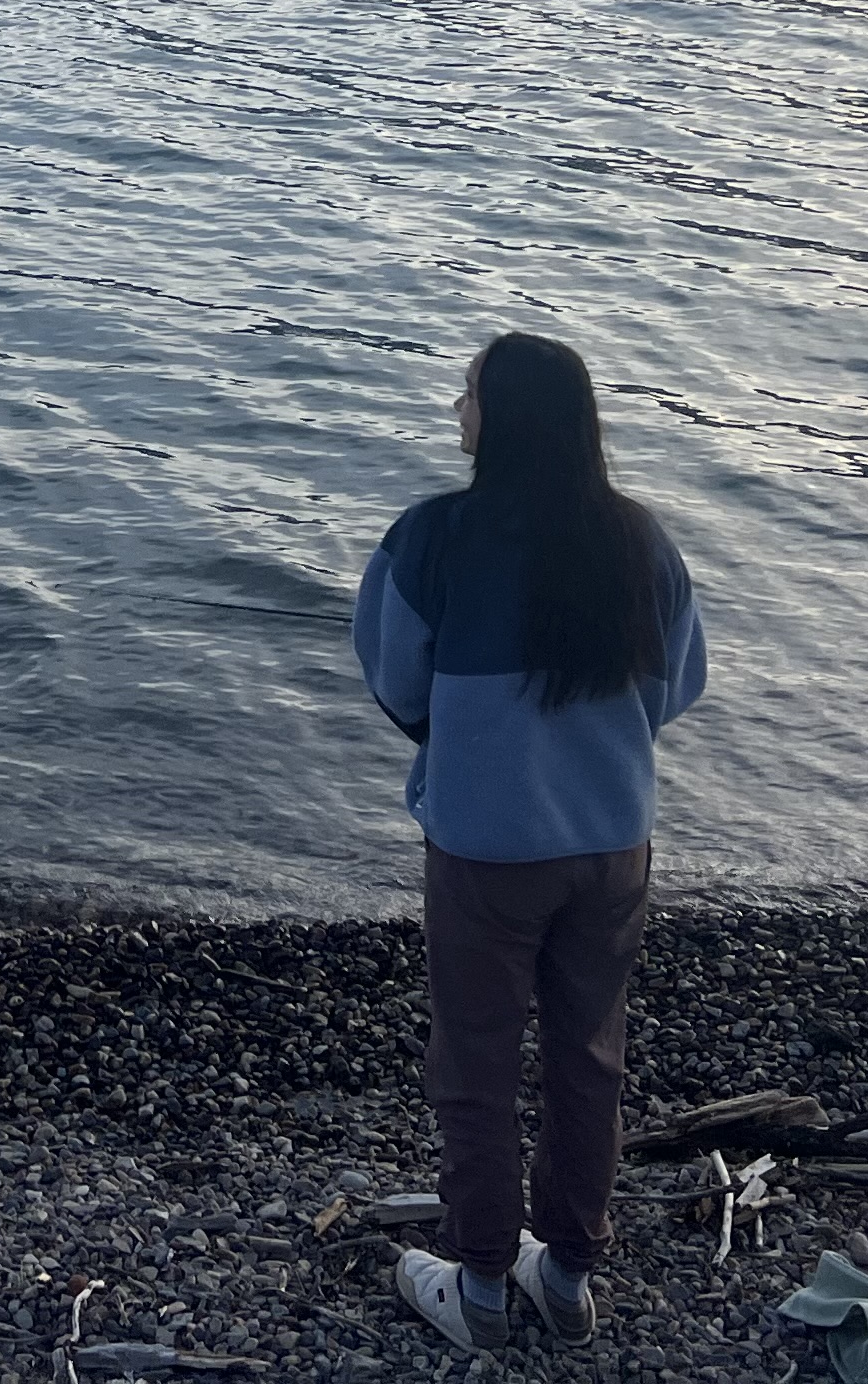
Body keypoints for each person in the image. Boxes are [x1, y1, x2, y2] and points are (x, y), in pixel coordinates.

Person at [352, 332, 707, 1354]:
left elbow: (395, 678)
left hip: (487, 849)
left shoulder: (433, 538)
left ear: (497, 419)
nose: (453, 409)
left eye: (464, 392)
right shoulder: (639, 540)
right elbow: (674, 687)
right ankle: (566, 1272)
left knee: (476, 1058)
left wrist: (465, 741)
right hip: (611, 845)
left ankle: (479, 1280)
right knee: (588, 1054)